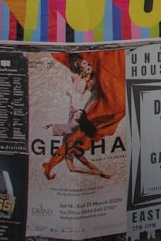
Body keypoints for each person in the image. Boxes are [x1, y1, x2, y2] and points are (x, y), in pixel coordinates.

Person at [41, 51, 125, 181]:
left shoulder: (73, 139)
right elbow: (81, 162)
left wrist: (49, 167)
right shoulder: (78, 141)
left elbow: (66, 153)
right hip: (110, 99)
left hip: (107, 92)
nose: (74, 84)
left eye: (74, 79)